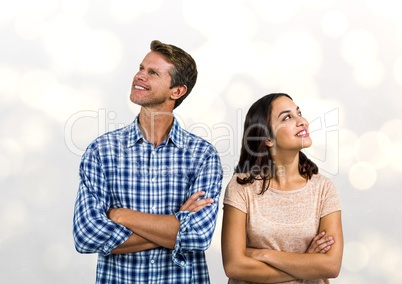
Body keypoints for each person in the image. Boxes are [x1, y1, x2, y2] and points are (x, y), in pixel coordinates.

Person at [73, 40, 223, 283]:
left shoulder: (202, 155)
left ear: (177, 91)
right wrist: (175, 226)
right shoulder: (102, 151)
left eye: (152, 72)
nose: (139, 76)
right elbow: (86, 236)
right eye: (141, 68)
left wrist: (120, 215)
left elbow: (198, 235)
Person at [221, 93, 343, 283]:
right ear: (267, 138)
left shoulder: (324, 189)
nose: (302, 121)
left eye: (299, 113)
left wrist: (263, 255)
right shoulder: (241, 187)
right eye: (287, 117)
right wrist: (307, 264)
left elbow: (331, 266)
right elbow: (234, 266)